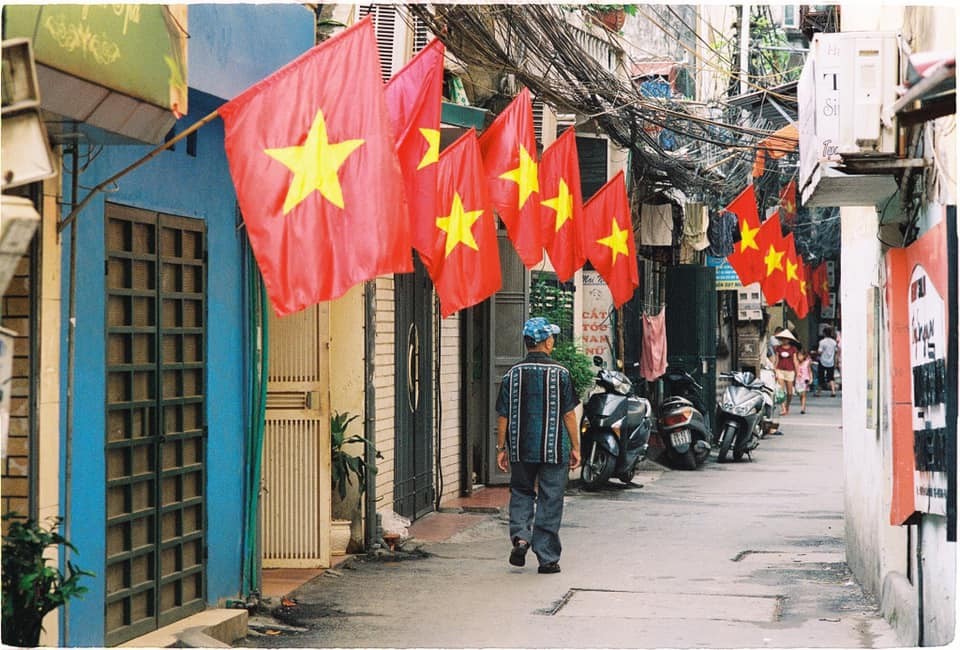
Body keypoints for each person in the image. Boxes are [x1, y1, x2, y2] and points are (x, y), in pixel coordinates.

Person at [496, 317, 581, 574]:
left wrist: (502, 448)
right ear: (546, 342)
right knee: (550, 498)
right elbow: (568, 415)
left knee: (522, 492)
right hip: (554, 449)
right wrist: (576, 447)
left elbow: (503, 416)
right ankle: (547, 558)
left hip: (521, 449)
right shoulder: (561, 374)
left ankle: (521, 538)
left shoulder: (512, 375)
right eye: (551, 337)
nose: (552, 341)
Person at [771, 328, 800, 416]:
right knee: (781, 390)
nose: (784, 340)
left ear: (789, 340)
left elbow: (795, 360)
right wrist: (774, 370)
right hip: (780, 370)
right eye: (783, 338)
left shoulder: (793, 349)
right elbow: (777, 360)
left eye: (786, 339)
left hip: (790, 371)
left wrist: (797, 371)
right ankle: (783, 408)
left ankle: (787, 406)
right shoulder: (778, 348)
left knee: (790, 392)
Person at [817, 327, 839, 397]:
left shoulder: (822, 342)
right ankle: (833, 392)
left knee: (821, 377)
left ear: (824, 333)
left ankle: (819, 392)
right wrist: (836, 362)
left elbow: (819, 352)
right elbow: (836, 352)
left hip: (822, 361)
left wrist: (815, 352)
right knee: (831, 377)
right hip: (831, 362)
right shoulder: (834, 342)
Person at [795, 349, 812, 414]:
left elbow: (809, 370)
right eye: (798, 355)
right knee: (801, 394)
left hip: (805, 379)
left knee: (804, 394)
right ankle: (802, 405)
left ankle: (803, 408)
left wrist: (811, 378)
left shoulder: (807, 362)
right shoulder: (796, 362)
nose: (800, 357)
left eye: (801, 355)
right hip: (798, 380)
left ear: (804, 356)